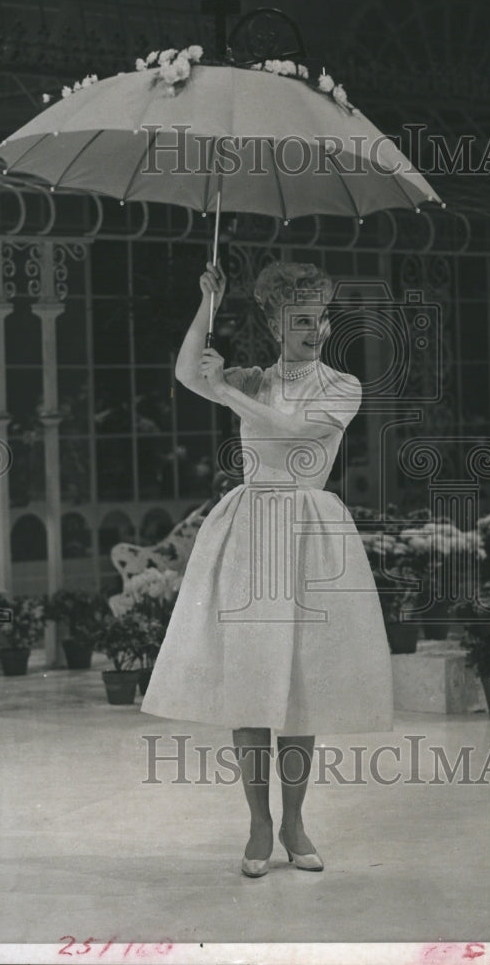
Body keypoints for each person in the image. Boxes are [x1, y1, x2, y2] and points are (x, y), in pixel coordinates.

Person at [141, 260, 393, 878]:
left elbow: (301, 435)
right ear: (277, 326)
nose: (310, 330)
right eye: (297, 321)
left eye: (317, 319)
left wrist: (226, 390)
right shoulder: (255, 377)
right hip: (252, 532)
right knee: (253, 686)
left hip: (310, 534)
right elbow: (183, 372)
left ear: (328, 324)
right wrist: (207, 305)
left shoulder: (342, 386)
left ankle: (295, 821)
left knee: (300, 690)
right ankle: (258, 824)